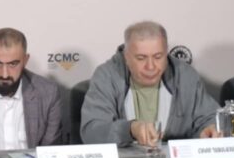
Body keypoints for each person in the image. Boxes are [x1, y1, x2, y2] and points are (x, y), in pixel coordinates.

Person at [80, 21, 218, 146]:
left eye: (158, 57)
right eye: (141, 58)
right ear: (126, 56)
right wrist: (130, 130)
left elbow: (210, 118)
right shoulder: (106, 76)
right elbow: (92, 132)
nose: (151, 67)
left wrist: (208, 130)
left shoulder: (185, 75)